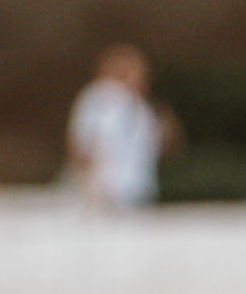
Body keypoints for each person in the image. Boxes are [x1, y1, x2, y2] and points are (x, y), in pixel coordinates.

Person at [65, 44, 178, 208]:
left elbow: (159, 148)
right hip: (104, 190)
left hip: (137, 189)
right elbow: (80, 143)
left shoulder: (142, 107)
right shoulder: (98, 98)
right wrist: (85, 183)